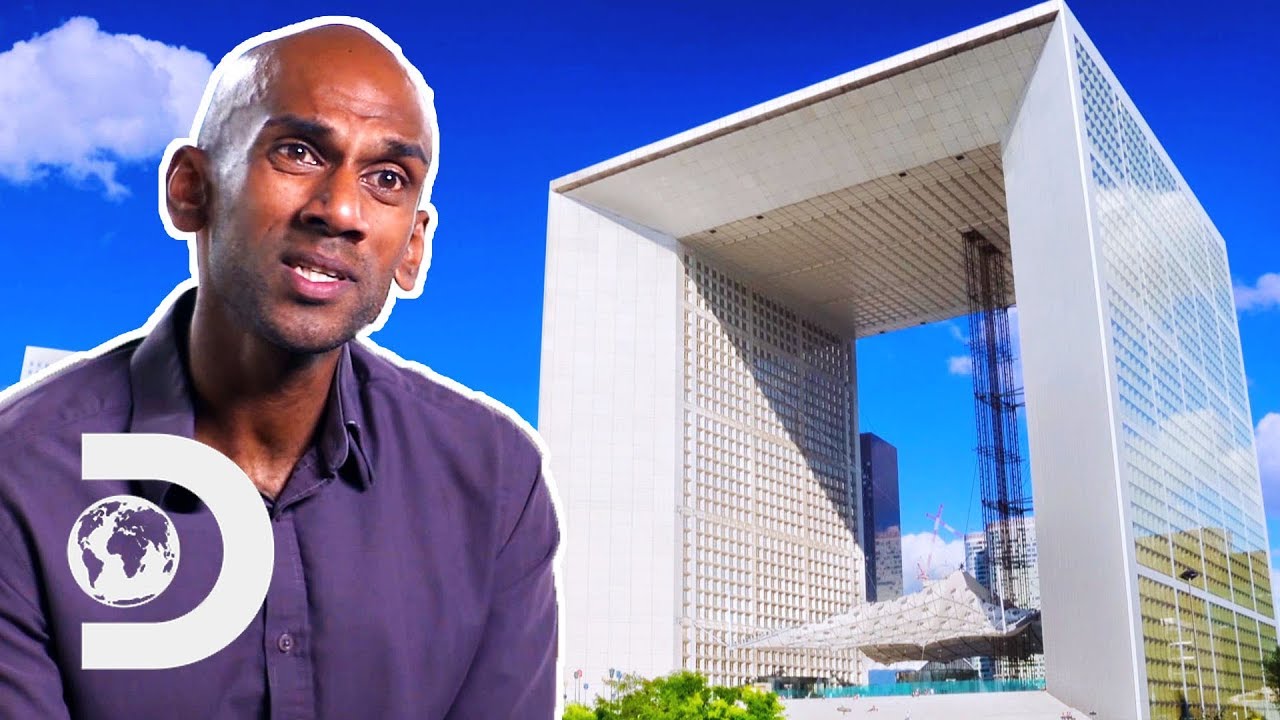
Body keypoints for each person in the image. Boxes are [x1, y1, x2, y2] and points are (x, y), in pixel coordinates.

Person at [0, 17, 560, 720]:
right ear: (190, 189)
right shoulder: (21, 476)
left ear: (413, 247)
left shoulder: (495, 479)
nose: (342, 210)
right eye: (298, 152)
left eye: (388, 179)